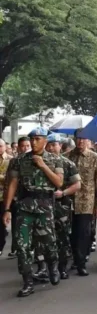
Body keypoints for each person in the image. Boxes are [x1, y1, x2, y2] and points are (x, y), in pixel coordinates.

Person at [2, 127, 64, 297]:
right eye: (32, 139)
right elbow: (12, 184)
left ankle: (53, 266)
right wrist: (7, 209)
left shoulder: (55, 159)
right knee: (22, 247)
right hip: (25, 208)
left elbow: (59, 182)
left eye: (38, 139)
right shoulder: (19, 160)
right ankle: (28, 281)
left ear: (45, 141)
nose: (34, 142)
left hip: (45, 208)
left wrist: (43, 166)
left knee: (49, 244)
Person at [66, 129, 97, 277]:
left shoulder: (95, 158)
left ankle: (81, 263)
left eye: (84, 138)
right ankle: (74, 259)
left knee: (84, 233)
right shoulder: (67, 157)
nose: (81, 141)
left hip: (87, 202)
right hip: (69, 201)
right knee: (71, 233)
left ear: (88, 140)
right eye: (78, 138)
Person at [45, 134, 81, 280]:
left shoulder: (68, 163)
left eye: (55, 144)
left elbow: (77, 185)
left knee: (63, 237)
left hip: (62, 206)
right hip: (43, 206)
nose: (52, 148)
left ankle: (62, 267)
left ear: (61, 146)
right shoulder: (41, 162)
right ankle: (47, 268)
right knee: (45, 238)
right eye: (50, 145)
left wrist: (63, 192)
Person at [6, 136, 31, 258]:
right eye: (23, 146)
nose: (25, 148)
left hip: (33, 199)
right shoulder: (14, 161)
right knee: (17, 225)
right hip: (18, 199)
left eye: (28, 146)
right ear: (18, 148)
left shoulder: (36, 160)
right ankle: (16, 248)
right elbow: (9, 181)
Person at [0, 140, 12, 257]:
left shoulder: (11, 160)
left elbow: (12, 180)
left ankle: (1, 244)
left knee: (2, 223)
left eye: (0, 146)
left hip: (4, 196)